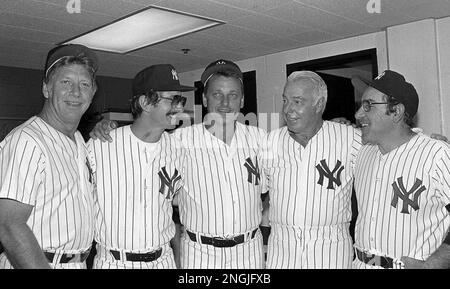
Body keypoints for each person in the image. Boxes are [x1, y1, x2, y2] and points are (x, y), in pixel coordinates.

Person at [90, 59, 267, 269]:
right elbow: (143, 135)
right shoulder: (180, 141)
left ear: (243, 99)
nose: (225, 103)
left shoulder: (262, 139)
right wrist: (105, 127)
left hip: (249, 252)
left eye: (233, 95)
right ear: (204, 98)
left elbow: (274, 187)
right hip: (200, 254)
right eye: (217, 94)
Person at [0, 44, 98, 269]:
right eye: (66, 82)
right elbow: (8, 225)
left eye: (84, 84)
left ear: (92, 94)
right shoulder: (28, 140)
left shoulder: (79, 141)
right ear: (46, 89)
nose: (76, 92)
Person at [87, 64, 194, 269]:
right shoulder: (101, 145)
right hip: (115, 262)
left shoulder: (179, 149)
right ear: (145, 102)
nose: (179, 108)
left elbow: (174, 210)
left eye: (182, 100)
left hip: (164, 261)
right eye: (174, 100)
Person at [261, 71, 362, 269]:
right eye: (285, 100)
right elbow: (256, 192)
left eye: (297, 102)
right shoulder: (269, 142)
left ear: (319, 104)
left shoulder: (350, 139)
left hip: (331, 254)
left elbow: (389, 154)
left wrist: (424, 140)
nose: (288, 109)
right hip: (282, 254)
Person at [352, 70, 450, 269]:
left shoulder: (436, 154)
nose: (358, 114)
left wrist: (435, 263)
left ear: (396, 111)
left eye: (368, 106)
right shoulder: (362, 152)